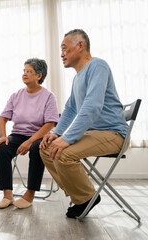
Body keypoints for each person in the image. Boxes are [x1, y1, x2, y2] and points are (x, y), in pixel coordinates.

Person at [40, 29, 128, 219]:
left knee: (62, 152)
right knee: (46, 149)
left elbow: (92, 106)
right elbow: (71, 108)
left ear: (80, 46)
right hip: (95, 133)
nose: (61, 53)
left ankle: (87, 198)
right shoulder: (78, 77)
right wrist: (57, 133)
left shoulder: (98, 66)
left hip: (114, 135)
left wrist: (67, 138)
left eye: (64, 48)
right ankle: (79, 195)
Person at [0, 58, 59, 209]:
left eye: (28, 71)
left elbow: (50, 123)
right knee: (3, 148)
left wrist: (30, 142)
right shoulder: (16, 95)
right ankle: (7, 195)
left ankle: (29, 194)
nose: (24, 74)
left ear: (39, 76)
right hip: (18, 134)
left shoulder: (49, 96)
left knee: (37, 148)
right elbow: (2, 119)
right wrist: (3, 137)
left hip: (39, 135)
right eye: (24, 70)